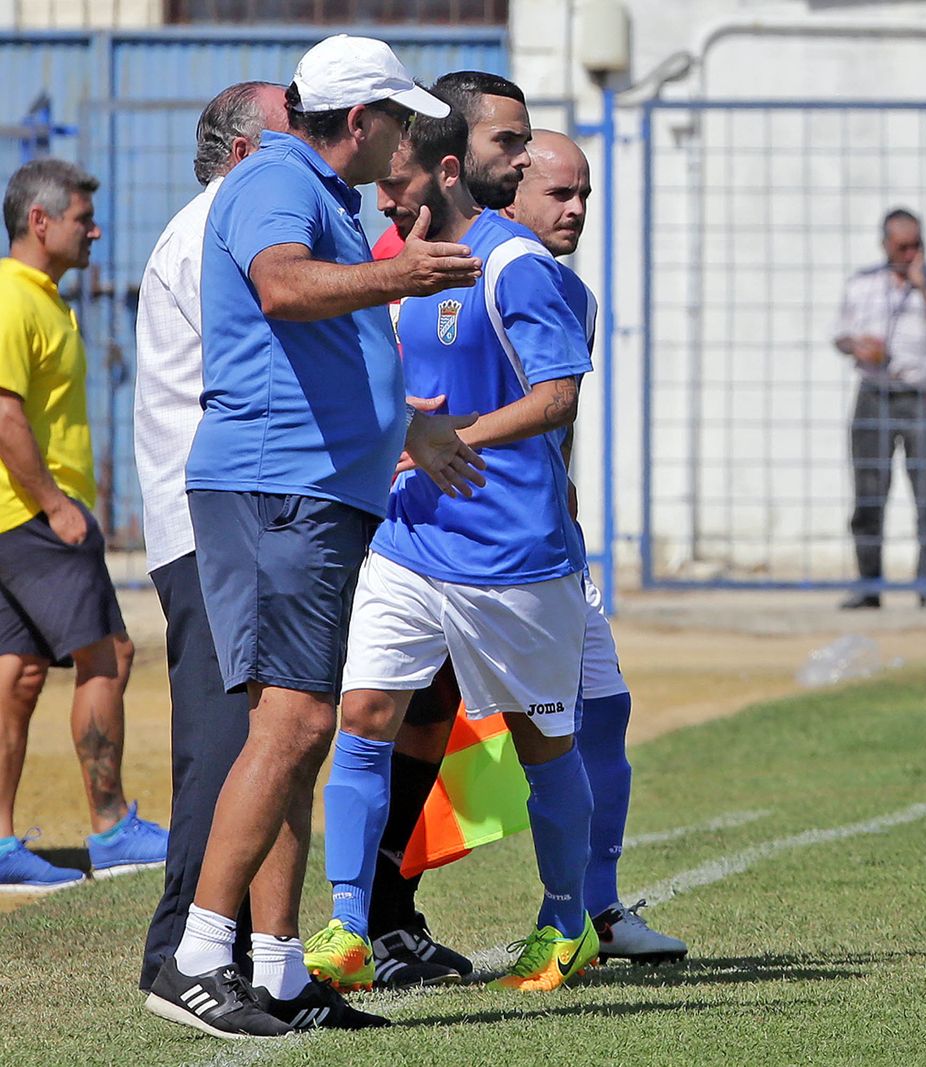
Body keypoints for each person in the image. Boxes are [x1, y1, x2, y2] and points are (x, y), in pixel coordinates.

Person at [144, 34, 485, 1040]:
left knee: (294, 733)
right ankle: (199, 955)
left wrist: (404, 423)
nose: (408, 138)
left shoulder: (314, 192)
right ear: (359, 121)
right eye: (400, 118)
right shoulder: (278, 181)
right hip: (274, 492)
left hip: (307, 493)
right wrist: (403, 277)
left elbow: (318, 334)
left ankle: (280, 967)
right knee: (288, 728)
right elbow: (282, 288)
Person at [299, 103, 598, 996]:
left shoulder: (515, 266)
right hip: (411, 536)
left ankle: (566, 916)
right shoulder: (398, 271)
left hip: (514, 556)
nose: (384, 198)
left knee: (543, 741)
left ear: (445, 174)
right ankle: (350, 921)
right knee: (363, 716)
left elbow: (557, 398)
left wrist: (460, 437)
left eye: (396, 182)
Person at [505, 129, 688, 964]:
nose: (575, 209)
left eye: (584, 194)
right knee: (397, 730)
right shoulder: (460, 272)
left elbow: (560, 421)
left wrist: (562, 490)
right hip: (452, 547)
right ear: (510, 189)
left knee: (604, 712)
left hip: (552, 546)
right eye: (558, 194)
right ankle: (365, 921)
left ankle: (597, 910)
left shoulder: (571, 292)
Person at [133, 79, 289, 993]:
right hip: (209, 521)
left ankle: (252, 955)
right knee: (225, 741)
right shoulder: (210, 233)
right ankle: (177, 956)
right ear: (242, 154)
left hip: (237, 517)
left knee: (265, 738)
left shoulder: (230, 226)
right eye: (290, 132)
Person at [0, 158, 166, 893]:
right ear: (39, 222)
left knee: (19, 674)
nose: (94, 230)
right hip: (37, 517)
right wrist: (57, 504)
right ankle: (113, 829)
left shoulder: (41, 298)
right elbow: (3, 415)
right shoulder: (13, 300)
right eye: (80, 218)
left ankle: (2, 842)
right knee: (111, 655)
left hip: (20, 518)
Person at [832, 208, 926, 610]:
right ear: (885, 245)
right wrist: (859, 347)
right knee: (869, 493)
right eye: (901, 247)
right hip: (875, 395)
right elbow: (839, 335)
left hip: (922, 398)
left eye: (916, 246)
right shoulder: (863, 284)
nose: (909, 254)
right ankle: (868, 583)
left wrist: (923, 289)